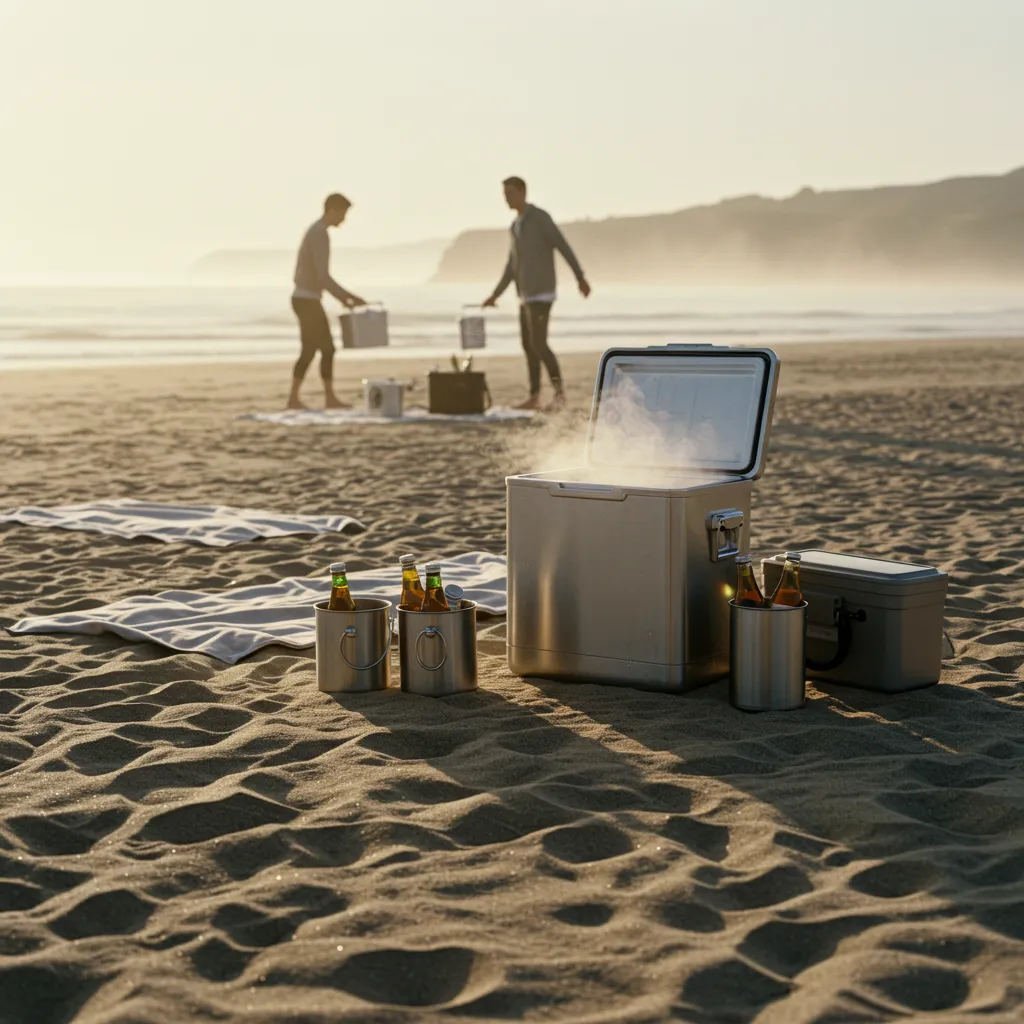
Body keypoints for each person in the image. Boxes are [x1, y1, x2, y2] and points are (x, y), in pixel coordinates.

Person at [482, 177, 591, 410]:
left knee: (539, 344)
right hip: (524, 295)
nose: (506, 199)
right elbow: (512, 266)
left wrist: (580, 277)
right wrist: (496, 295)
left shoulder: (539, 218)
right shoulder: (515, 225)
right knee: (528, 344)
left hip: (542, 293)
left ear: (523, 192)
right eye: (504, 194)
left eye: (510, 193)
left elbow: (562, 245)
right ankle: (534, 396)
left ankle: (560, 395)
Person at [288, 193, 367, 410]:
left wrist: (345, 298)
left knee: (312, 349)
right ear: (332, 210)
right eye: (343, 213)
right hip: (307, 300)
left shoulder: (315, 231)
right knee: (326, 349)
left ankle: (297, 398)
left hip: (305, 298)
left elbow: (320, 277)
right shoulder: (319, 234)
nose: (344, 219)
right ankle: (325, 398)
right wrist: (348, 297)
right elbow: (323, 276)